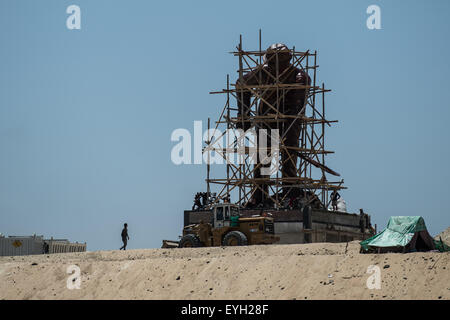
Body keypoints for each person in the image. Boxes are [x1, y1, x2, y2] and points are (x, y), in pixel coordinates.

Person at [236, 43, 311, 205]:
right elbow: (241, 83)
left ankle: (289, 189)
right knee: (262, 156)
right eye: (272, 62)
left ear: (287, 60)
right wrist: (244, 115)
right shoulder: (263, 73)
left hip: (289, 119)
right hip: (267, 119)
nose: (274, 66)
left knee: (289, 153)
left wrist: (290, 122)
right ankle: (259, 194)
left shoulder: (299, 76)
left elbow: (298, 104)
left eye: (279, 62)